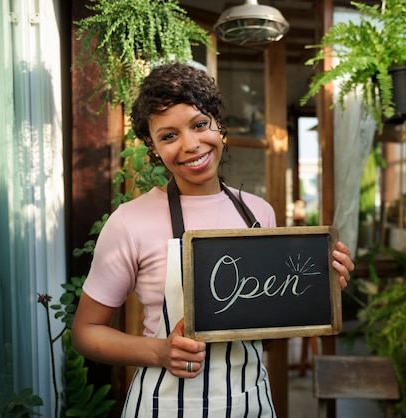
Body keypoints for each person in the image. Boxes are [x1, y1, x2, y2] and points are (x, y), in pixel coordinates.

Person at [71, 62, 355, 417]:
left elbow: (267, 315)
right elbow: (86, 332)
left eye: (200, 124)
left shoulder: (258, 213)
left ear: (219, 126)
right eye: (169, 135)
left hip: (251, 400)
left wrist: (319, 287)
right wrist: (160, 351)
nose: (190, 144)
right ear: (153, 147)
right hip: (168, 404)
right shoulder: (129, 222)